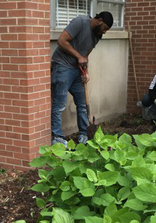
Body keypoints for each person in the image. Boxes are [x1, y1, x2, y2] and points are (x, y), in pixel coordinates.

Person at [51, 11, 114, 147]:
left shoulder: (97, 35)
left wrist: (86, 71)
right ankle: (57, 137)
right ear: (99, 20)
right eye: (104, 28)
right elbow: (61, 41)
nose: (104, 32)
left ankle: (84, 134)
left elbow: (85, 56)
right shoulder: (80, 22)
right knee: (59, 105)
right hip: (62, 66)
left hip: (76, 70)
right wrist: (78, 56)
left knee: (82, 104)